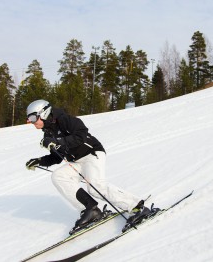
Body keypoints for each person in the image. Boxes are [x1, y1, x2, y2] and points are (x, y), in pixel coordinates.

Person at [25, 99, 150, 231]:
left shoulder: (65, 120)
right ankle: (91, 210)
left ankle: (137, 207)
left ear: (44, 113)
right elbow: (57, 156)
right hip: (76, 161)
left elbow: (81, 136)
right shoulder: (48, 132)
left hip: (92, 154)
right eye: (29, 119)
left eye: (33, 117)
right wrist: (39, 161)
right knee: (58, 176)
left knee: (95, 187)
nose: (31, 122)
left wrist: (57, 141)